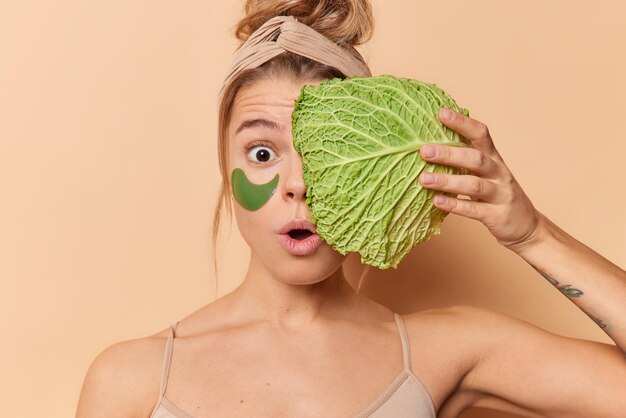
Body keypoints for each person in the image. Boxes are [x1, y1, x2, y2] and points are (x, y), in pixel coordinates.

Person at [76, 1, 626, 417]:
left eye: (326, 154)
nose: (298, 185)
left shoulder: (445, 351)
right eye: (262, 152)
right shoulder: (131, 379)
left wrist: (533, 237)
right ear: (225, 168)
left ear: (373, 172)